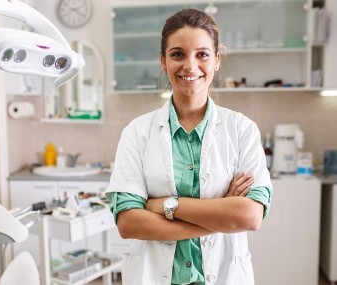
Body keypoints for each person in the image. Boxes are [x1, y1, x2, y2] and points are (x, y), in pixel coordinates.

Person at [105, 8, 272, 285]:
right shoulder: (137, 132)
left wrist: (165, 206)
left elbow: (250, 216)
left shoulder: (241, 129)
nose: (190, 66)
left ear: (217, 60)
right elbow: (128, 223)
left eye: (202, 54)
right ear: (163, 61)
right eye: (178, 54)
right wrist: (219, 214)